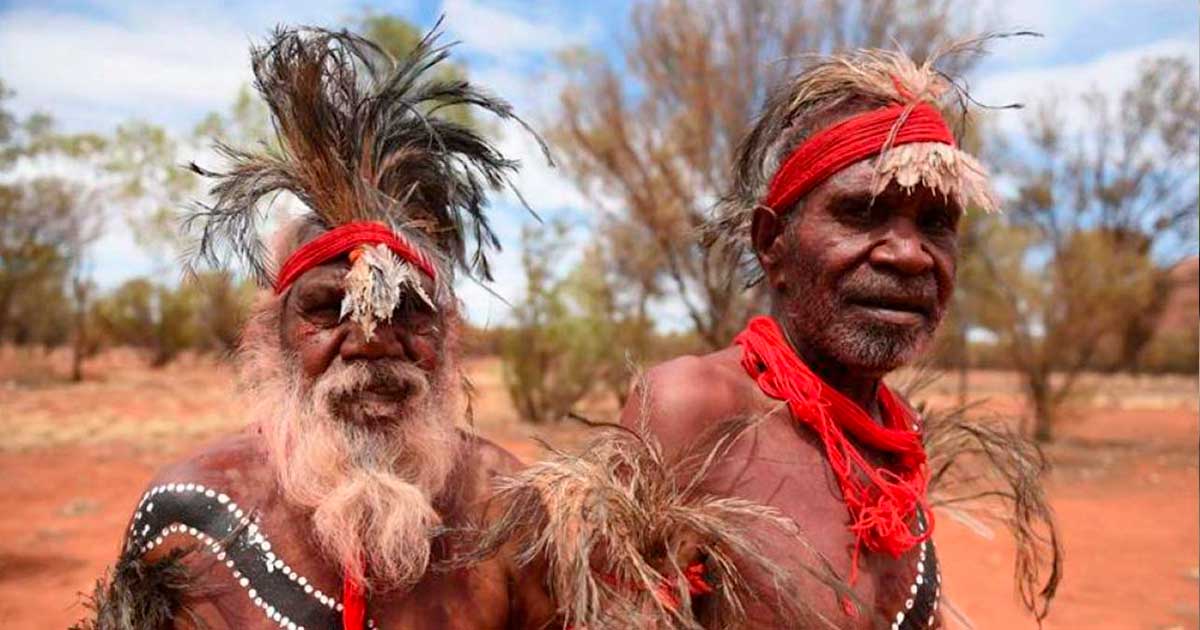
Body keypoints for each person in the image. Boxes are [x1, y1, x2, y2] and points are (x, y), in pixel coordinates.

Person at [486, 42, 1061, 630]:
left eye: (936, 224)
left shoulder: (896, 430)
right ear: (771, 244)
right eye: (862, 212)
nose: (910, 254)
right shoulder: (694, 411)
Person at [76, 24, 557, 630]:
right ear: (269, 338)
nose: (373, 340)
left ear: (449, 337)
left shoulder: (502, 504)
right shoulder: (189, 515)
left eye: (409, 312)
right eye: (330, 310)